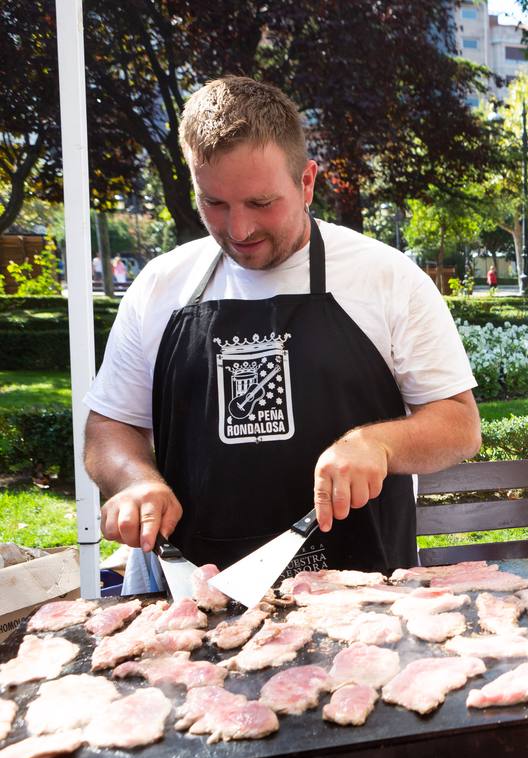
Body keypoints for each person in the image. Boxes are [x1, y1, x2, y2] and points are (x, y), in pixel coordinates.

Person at [83, 76, 481, 592]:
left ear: (307, 181)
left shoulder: (386, 278)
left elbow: (459, 424)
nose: (239, 229)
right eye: (215, 204)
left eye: (261, 202)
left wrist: (377, 444)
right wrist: (135, 480)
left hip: (360, 592)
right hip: (194, 589)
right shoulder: (161, 285)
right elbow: (108, 427)